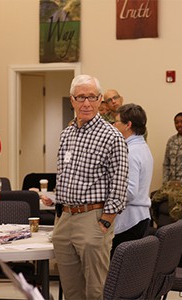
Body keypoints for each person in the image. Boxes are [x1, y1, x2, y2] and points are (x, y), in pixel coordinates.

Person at [48, 74, 129, 300]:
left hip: (93, 219)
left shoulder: (112, 136)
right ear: (72, 100)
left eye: (92, 97)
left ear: (100, 100)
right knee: (71, 291)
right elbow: (63, 174)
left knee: (96, 291)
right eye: (81, 97)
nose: (86, 103)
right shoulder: (67, 134)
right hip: (64, 220)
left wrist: (105, 222)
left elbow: (119, 184)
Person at [111, 103, 152, 258]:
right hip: (139, 218)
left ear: (128, 125)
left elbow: (129, 192)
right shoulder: (142, 147)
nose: (114, 126)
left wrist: (105, 191)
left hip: (129, 221)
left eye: (116, 122)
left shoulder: (131, 152)